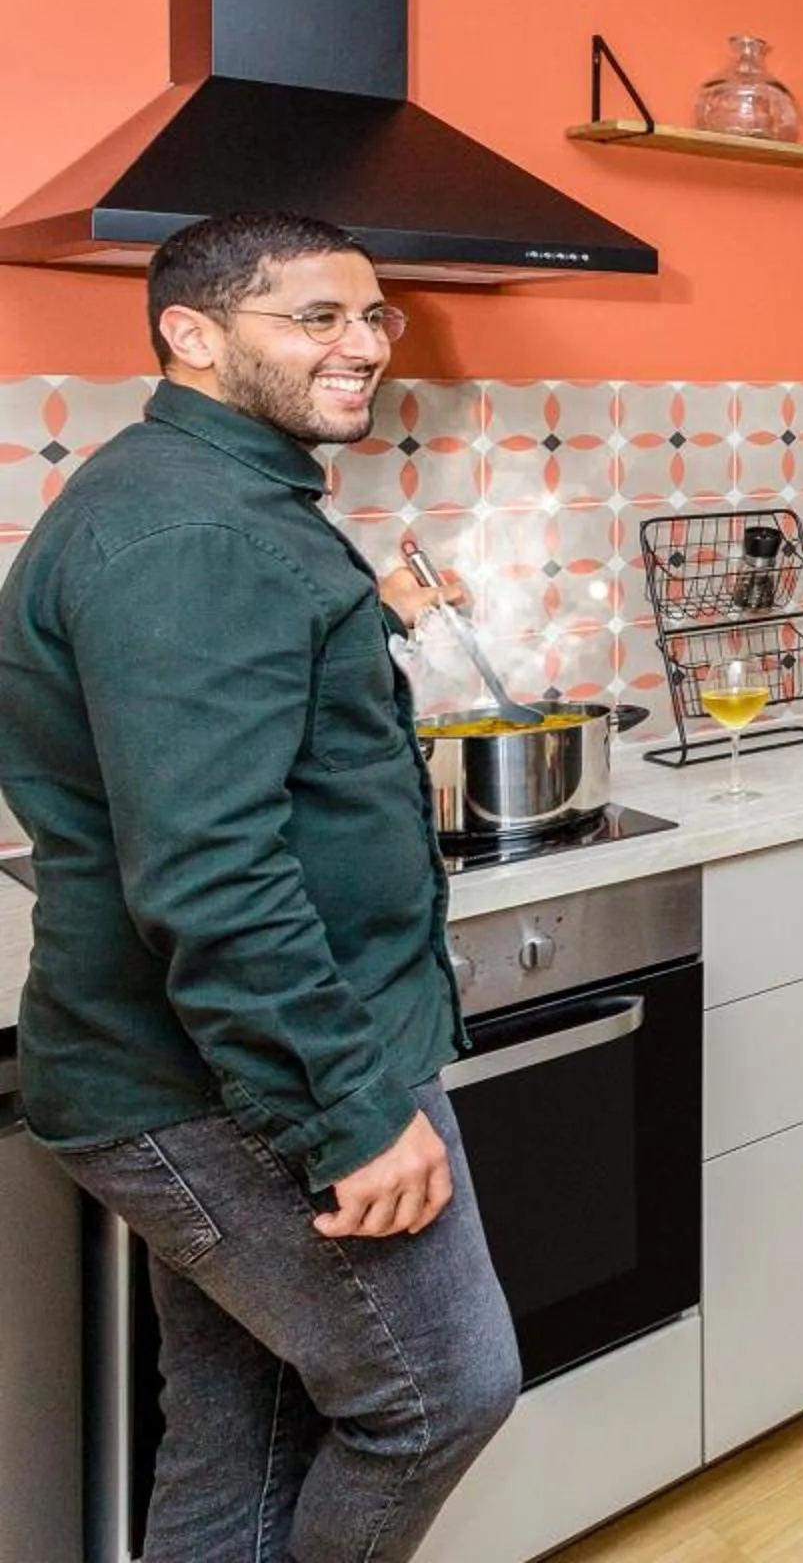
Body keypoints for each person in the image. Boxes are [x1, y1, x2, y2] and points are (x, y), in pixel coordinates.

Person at [0, 212, 518, 1562]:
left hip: (220, 1067)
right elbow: (212, 873)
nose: (363, 347)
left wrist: (378, 622)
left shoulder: (213, 502)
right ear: (191, 334)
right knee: (441, 1394)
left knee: (247, 1429)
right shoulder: (193, 533)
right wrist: (348, 1112)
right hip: (236, 1082)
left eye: (374, 318)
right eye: (316, 318)